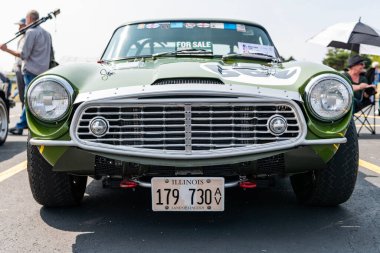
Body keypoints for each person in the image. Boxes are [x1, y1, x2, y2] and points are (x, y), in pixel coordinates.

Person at [0, 10, 52, 135]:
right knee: (43, 98)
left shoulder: (30, 33)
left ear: (29, 19)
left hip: (30, 70)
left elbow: (23, 54)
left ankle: (21, 124)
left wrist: (6, 50)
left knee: (28, 98)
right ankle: (46, 123)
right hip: (43, 70)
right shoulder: (46, 34)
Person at [13, 18, 26, 108]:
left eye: (20, 26)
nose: (19, 28)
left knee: (25, 96)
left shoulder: (27, 37)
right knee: (22, 95)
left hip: (24, 69)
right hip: (19, 68)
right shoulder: (21, 38)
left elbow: (22, 55)